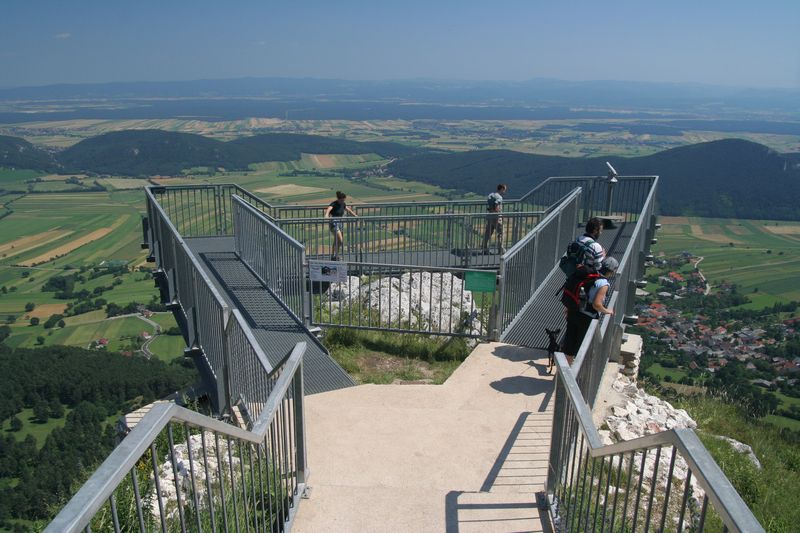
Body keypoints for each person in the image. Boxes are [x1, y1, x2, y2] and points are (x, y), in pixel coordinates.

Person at [561, 257, 618, 358]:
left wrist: (569, 307)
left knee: (569, 348)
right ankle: (573, 367)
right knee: (581, 350)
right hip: (586, 318)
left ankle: (565, 366)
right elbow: (596, 305)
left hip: (574, 311)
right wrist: (607, 311)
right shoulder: (603, 284)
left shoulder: (588, 274)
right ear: (611, 271)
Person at [324, 191, 357, 260]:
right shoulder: (334, 204)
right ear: (339, 199)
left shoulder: (343, 204)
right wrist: (326, 215)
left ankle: (334, 255)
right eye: (342, 200)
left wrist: (355, 215)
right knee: (340, 240)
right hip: (334, 223)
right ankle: (336, 255)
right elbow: (328, 209)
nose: (343, 201)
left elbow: (348, 210)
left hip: (340, 223)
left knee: (336, 240)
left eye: (344, 200)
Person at [482, 184, 507, 254]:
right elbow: (496, 204)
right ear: (501, 189)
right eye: (504, 190)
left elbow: (489, 204)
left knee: (488, 233)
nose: (504, 192)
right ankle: (501, 249)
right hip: (496, 217)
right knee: (501, 233)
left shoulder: (491, 195)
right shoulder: (499, 197)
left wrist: (491, 210)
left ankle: (484, 248)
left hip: (490, 216)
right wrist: (497, 211)